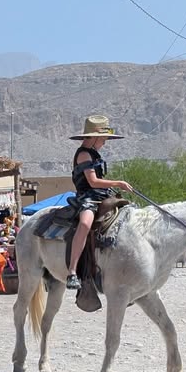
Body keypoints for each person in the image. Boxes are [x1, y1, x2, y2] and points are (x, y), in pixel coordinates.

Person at [65, 115, 133, 290]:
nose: (105, 141)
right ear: (94, 137)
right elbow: (93, 181)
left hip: (102, 195)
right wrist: (118, 183)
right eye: (103, 138)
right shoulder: (83, 154)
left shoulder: (94, 153)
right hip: (87, 197)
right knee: (85, 224)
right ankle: (72, 271)